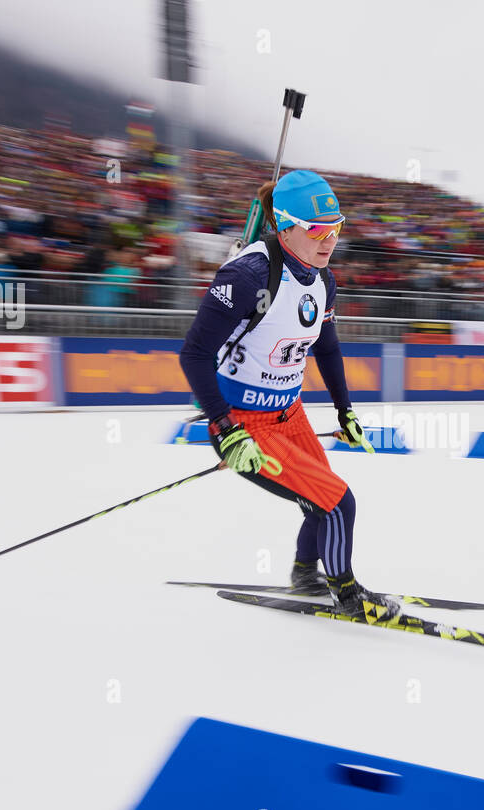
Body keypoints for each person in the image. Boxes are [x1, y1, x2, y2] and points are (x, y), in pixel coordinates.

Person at [178, 170, 401, 623]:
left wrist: (345, 410)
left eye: (336, 228)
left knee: (321, 499)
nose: (329, 241)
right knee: (340, 501)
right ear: (283, 225)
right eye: (316, 230)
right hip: (243, 424)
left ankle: (305, 572)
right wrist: (225, 428)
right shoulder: (248, 275)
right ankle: (348, 594)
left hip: (290, 415)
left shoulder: (323, 280)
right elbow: (195, 354)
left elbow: (327, 346)